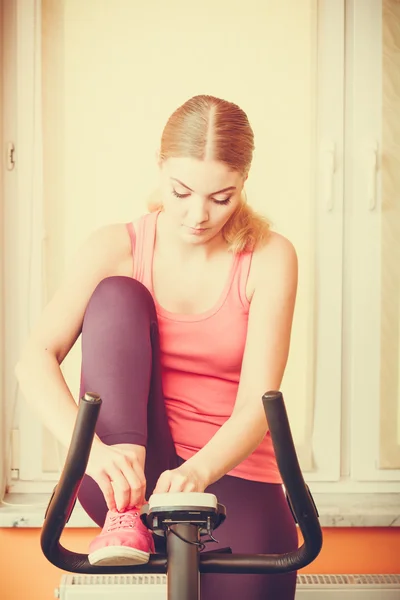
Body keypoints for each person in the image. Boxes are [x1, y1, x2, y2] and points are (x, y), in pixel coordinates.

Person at [16, 94, 299, 599]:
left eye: (221, 197)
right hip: (124, 472)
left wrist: (196, 474)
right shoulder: (115, 246)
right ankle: (125, 516)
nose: (198, 215)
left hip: (226, 469)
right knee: (118, 294)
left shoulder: (271, 257)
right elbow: (32, 360)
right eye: (182, 191)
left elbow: (258, 402)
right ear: (161, 169)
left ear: (244, 183)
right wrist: (93, 454)